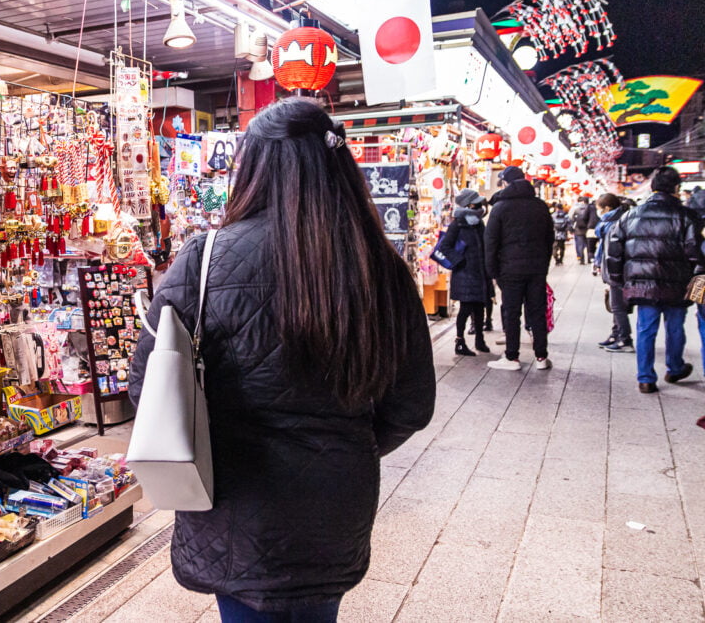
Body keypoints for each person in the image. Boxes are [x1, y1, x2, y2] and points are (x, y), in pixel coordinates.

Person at [129, 99, 437, 622]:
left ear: (254, 169)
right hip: (335, 498)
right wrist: (344, 442)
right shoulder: (380, 266)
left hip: (235, 496)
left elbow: (147, 385)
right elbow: (411, 404)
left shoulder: (205, 259)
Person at [606, 167, 701, 393]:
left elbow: (614, 251)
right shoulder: (687, 216)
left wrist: (620, 282)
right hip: (677, 285)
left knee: (645, 329)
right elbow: (696, 254)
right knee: (675, 327)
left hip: (642, 285)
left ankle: (645, 378)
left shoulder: (630, 215)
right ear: (676, 188)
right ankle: (675, 367)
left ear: (653, 187)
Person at [484, 165, 555, 371]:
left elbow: (491, 243)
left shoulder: (500, 208)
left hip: (509, 269)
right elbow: (549, 239)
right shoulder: (540, 206)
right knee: (537, 311)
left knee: (512, 312)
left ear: (506, 183)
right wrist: (544, 264)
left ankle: (512, 357)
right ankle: (541, 357)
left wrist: (493, 272)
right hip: (537, 269)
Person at [444, 189, 492, 356]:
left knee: (480, 307)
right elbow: (444, 247)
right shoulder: (457, 224)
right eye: (476, 203)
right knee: (465, 308)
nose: (480, 206)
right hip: (464, 273)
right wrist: (460, 261)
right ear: (469, 205)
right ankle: (459, 341)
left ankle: (480, 340)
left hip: (479, 272)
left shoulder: (479, 223)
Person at [594, 193, 632, 352]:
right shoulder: (613, 221)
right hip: (614, 267)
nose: (598, 212)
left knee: (617, 306)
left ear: (607, 208)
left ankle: (625, 339)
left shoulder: (613, 223)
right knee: (616, 304)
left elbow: (614, 251)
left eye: (599, 209)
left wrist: (612, 272)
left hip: (617, 269)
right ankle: (615, 334)